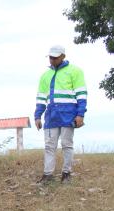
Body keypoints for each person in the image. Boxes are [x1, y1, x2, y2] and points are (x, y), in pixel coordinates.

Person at [34, 45, 87, 184]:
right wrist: (37, 116)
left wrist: (80, 114)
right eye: (51, 57)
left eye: (55, 57)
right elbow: (40, 98)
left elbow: (81, 94)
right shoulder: (45, 75)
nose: (52, 60)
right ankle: (47, 175)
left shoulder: (75, 71)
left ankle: (66, 174)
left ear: (63, 56)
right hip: (51, 116)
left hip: (68, 115)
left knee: (66, 144)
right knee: (49, 146)